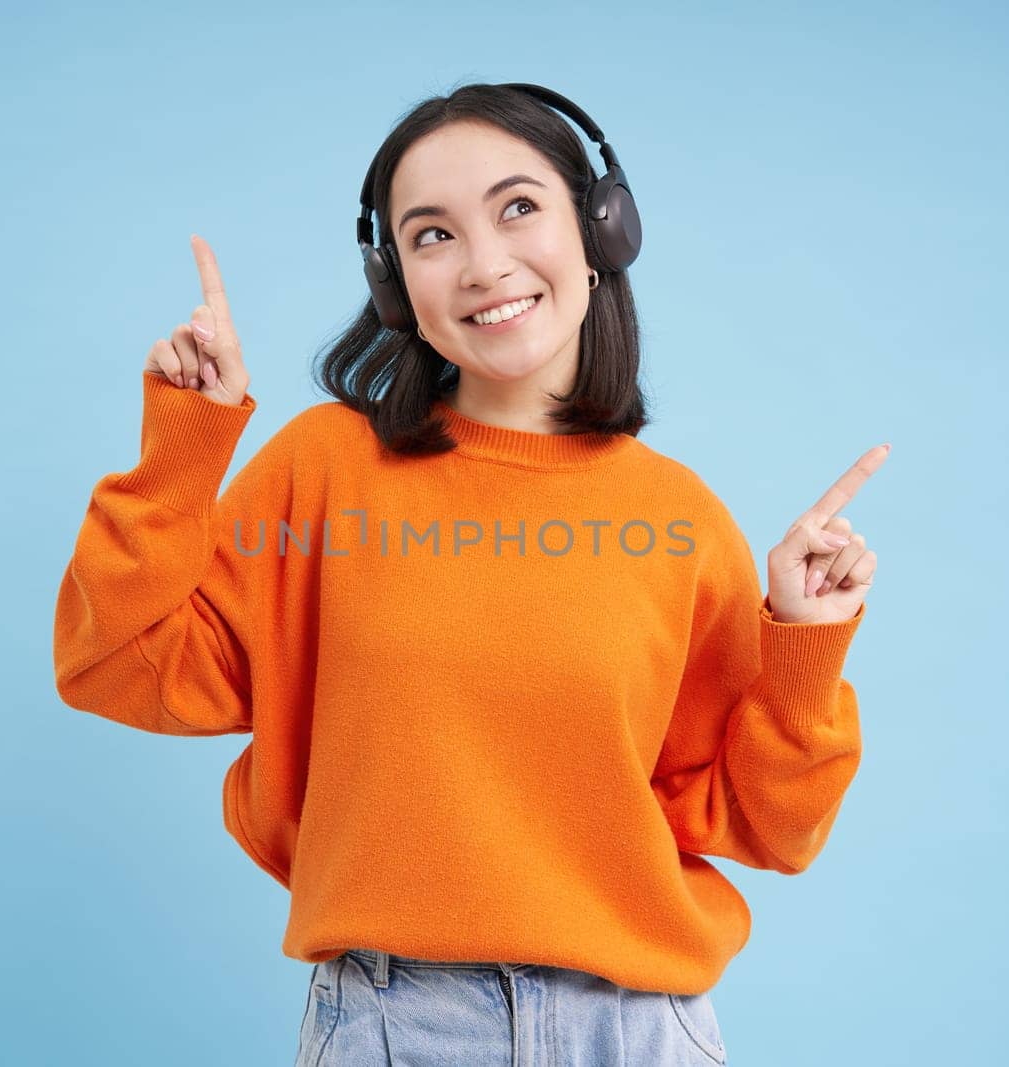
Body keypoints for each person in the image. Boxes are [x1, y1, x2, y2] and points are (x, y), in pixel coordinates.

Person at [53, 81, 888, 1066]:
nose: (484, 262)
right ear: (393, 281)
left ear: (600, 228)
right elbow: (119, 665)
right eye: (432, 234)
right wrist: (185, 448)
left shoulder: (677, 517)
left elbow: (764, 826)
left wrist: (802, 642)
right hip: (394, 1023)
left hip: (632, 1025)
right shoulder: (325, 467)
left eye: (519, 207)